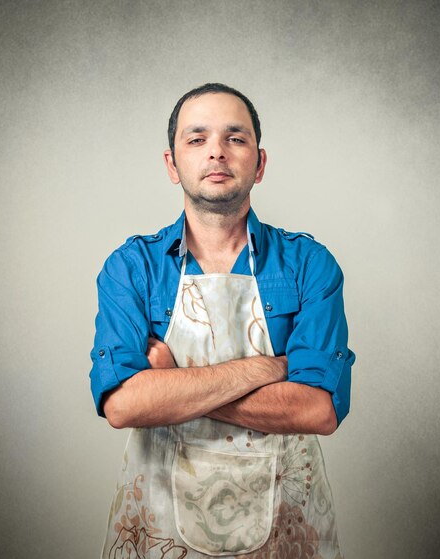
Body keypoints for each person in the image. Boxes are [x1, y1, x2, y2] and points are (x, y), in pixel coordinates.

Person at [89, 83, 355, 559]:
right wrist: (268, 369)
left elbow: (318, 411)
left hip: (284, 526)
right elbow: (124, 405)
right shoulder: (132, 268)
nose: (216, 151)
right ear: (172, 165)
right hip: (159, 530)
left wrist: (171, 385)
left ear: (260, 162)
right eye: (196, 139)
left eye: (236, 138)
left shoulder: (308, 265)